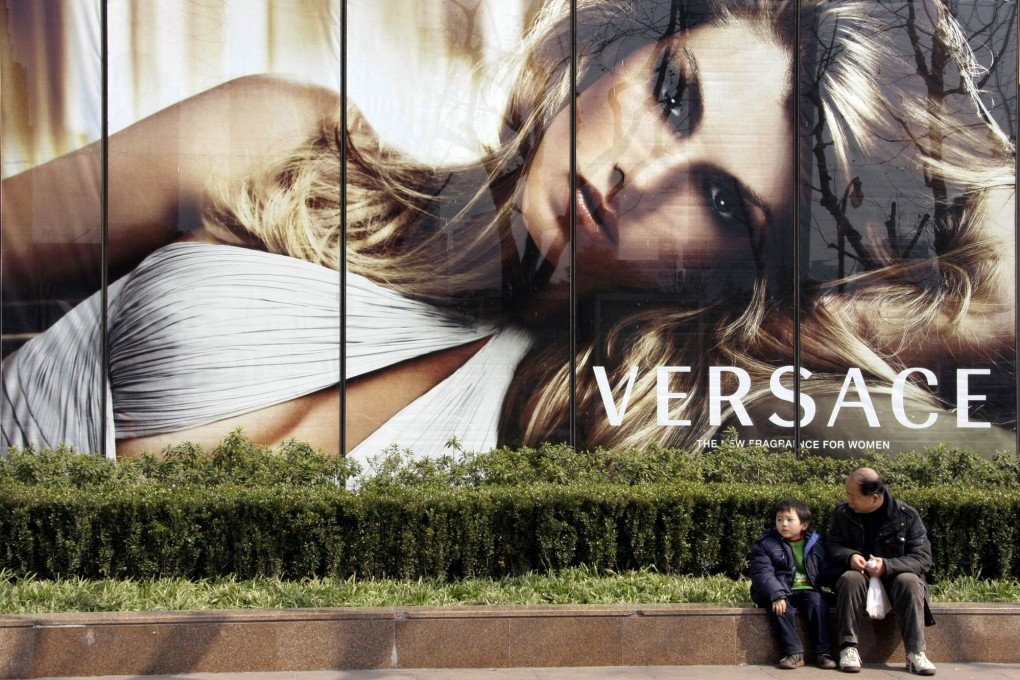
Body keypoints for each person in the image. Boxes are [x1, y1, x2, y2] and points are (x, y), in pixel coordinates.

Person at [1, 0, 1015, 460]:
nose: (644, 174)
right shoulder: (280, 137)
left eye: (720, 203)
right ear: (625, 43)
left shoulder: (597, 424)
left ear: (735, 270)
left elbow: (992, 326)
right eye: (672, 92)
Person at [825, 467, 937, 675]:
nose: (849, 500)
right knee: (850, 578)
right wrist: (849, 556)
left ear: (874, 498)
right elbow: (831, 546)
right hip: (860, 580)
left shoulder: (907, 516)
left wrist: (887, 566)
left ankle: (916, 653)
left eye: (853, 496)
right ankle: (849, 648)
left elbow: (923, 558)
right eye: (847, 494)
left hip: (895, 581)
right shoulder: (843, 514)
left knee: (909, 581)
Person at [748, 498, 836, 670]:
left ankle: (823, 653)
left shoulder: (815, 544)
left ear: (804, 525)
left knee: (817, 605)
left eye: (789, 520)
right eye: (779, 520)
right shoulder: (765, 544)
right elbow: (762, 573)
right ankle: (793, 653)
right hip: (780, 590)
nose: (783, 524)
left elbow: (826, 570)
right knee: (781, 609)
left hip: (807, 589)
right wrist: (776, 594)